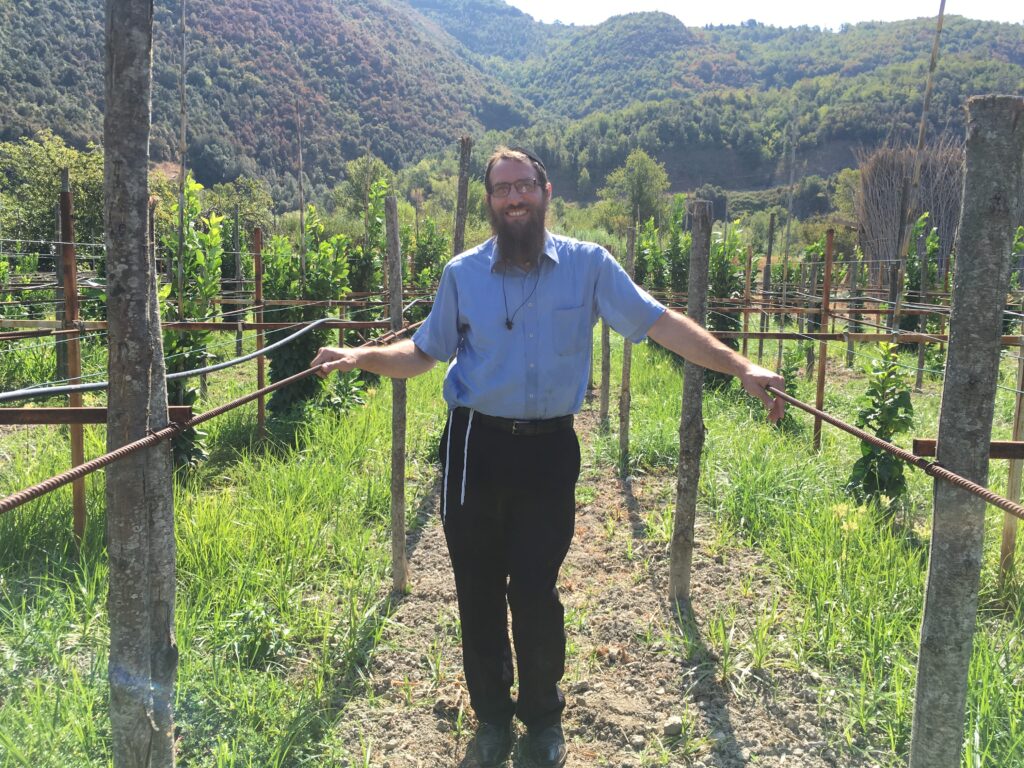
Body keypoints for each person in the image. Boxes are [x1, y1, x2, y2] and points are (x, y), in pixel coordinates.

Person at [312, 146, 784, 768]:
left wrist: (739, 364)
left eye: (524, 186)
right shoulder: (462, 274)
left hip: (549, 450)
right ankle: (490, 721)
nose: (514, 198)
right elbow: (424, 353)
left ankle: (542, 718)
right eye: (502, 188)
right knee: (477, 590)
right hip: (475, 447)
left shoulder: (589, 266)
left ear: (545, 191)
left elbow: (660, 322)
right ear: (489, 200)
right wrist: (361, 357)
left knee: (536, 590)